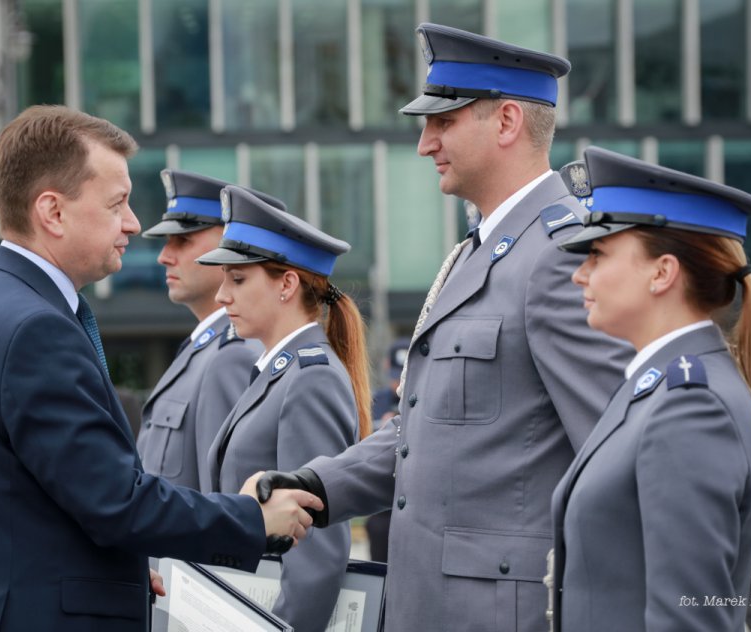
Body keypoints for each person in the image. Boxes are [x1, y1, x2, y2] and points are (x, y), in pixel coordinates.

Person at [256, 23, 630, 632]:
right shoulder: (476, 253)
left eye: (443, 121)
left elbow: (614, 460)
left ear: (506, 122)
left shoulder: (559, 255)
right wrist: (315, 484)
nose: (425, 143)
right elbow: (425, 433)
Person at [0, 105, 321, 632]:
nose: (133, 223)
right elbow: (114, 501)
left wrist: (114, 572)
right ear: (53, 212)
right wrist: (252, 518)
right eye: (117, 204)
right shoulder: (34, 329)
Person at [549, 146, 751, 632]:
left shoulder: (689, 407)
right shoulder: (657, 389)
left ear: (662, 272)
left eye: (597, 253)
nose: (580, 273)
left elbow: (688, 620)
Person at [197, 185, 372, 632]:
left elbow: (316, 553)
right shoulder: (279, 372)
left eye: (237, 279)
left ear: (287, 284)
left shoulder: (310, 378)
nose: (221, 296)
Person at [137, 170, 270, 492]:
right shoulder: (201, 349)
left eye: (182, 240)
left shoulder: (233, 356)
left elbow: (228, 507)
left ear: (231, 244)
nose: (164, 256)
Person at [365, 337, 408, 563]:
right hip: (382, 504)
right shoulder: (376, 401)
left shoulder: (420, 400)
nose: (397, 384)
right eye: (395, 376)